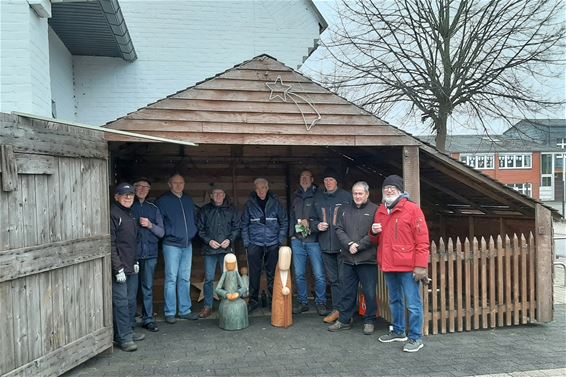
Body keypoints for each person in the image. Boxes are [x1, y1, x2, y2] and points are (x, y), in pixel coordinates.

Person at [373, 175, 430, 353]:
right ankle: (398, 331)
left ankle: (415, 337)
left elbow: (422, 240)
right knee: (394, 300)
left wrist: (420, 266)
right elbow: (377, 240)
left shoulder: (412, 209)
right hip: (389, 264)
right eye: (386, 188)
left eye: (393, 187)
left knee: (413, 303)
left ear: (400, 190)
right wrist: (373, 232)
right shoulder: (381, 210)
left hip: (407, 266)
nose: (389, 190)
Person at [328, 181, 379, 335]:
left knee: (369, 292)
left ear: (367, 194)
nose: (357, 196)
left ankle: (369, 320)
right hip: (348, 258)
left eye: (360, 193)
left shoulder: (375, 210)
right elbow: (339, 229)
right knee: (347, 291)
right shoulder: (345, 209)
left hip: (367, 259)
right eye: (355, 193)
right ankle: (344, 320)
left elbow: (375, 233)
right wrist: (349, 244)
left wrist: (359, 245)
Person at [241, 177, 288, 313]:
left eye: (263, 188)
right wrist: (247, 243)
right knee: (254, 274)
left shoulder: (276, 203)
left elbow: (284, 221)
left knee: (273, 273)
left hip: (273, 243)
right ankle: (253, 301)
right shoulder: (250, 204)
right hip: (254, 244)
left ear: (267, 188)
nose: (260, 191)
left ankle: (273, 301)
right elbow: (244, 224)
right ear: (255, 190)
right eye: (258, 188)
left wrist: (280, 240)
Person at [157, 173, 199, 323]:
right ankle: (170, 312)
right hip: (171, 245)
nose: (178, 185)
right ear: (169, 184)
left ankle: (184, 310)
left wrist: (193, 232)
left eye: (181, 182)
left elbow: (194, 218)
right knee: (171, 279)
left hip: (187, 245)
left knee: (185, 278)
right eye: (175, 183)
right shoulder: (163, 201)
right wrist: (169, 233)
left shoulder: (188, 199)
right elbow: (159, 221)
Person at [312, 167, 351, 324]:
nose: (328, 182)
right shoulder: (318, 198)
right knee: (333, 279)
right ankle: (337, 309)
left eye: (331, 180)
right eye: (326, 180)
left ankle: (347, 310)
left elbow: (352, 219)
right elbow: (311, 218)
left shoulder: (347, 197)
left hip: (342, 245)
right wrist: (316, 226)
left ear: (337, 182)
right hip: (325, 245)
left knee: (344, 279)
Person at [197, 186, 240, 318]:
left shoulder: (232, 210)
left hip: (226, 250)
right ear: (211, 196)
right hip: (210, 250)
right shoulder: (204, 210)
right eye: (215, 194)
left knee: (228, 278)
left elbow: (236, 227)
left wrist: (230, 239)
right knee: (209, 279)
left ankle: (227, 304)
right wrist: (209, 241)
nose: (218, 196)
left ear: (224, 195)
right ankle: (208, 306)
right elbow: (200, 229)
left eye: (220, 193)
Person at [110, 182, 144, 352]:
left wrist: (136, 261)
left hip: (131, 266)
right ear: (117, 197)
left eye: (131, 195)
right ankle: (123, 338)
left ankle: (129, 331)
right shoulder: (114, 214)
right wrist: (118, 269)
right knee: (121, 303)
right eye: (125, 196)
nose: (128, 198)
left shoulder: (130, 214)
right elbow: (111, 244)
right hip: (121, 269)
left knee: (130, 301)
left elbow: (134, 242)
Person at [289, 170, 328, 316]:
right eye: (302, 177)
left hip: (314, 241)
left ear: (312, 179)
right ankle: (303, 302)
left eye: (307, 177)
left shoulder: (319, 196)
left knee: (318, 274)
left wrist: (310, 223)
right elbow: (291, 216)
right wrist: (292, 235)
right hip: (298, 241)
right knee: (299, 274)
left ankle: (321, 302)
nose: (304, 179)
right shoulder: (296, 195)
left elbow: (324, 217)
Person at [131, 178, 164, 332]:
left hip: (150, 254)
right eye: (139, 186)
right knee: (131, 290)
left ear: (149, 190)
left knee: (147, 288)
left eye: (146, 187)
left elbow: (161, 232)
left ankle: (148, 319)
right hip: (132, 255)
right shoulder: (129, 206)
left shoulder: (153, 208)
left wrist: (150, 225)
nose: (142, 189)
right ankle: (130, 321)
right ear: (134, 188)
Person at [215, 253, 249, 331]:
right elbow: (217, 289)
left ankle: (240, 324)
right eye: (228, 264)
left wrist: (238, 293)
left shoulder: (236, 273)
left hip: (236, 296)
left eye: (232, 264)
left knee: (241, 305)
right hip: (227, 297)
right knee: (227, 307)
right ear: (225, 264)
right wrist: (226, 294)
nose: (230, 266)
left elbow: (244, 287)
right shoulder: (224, 274)